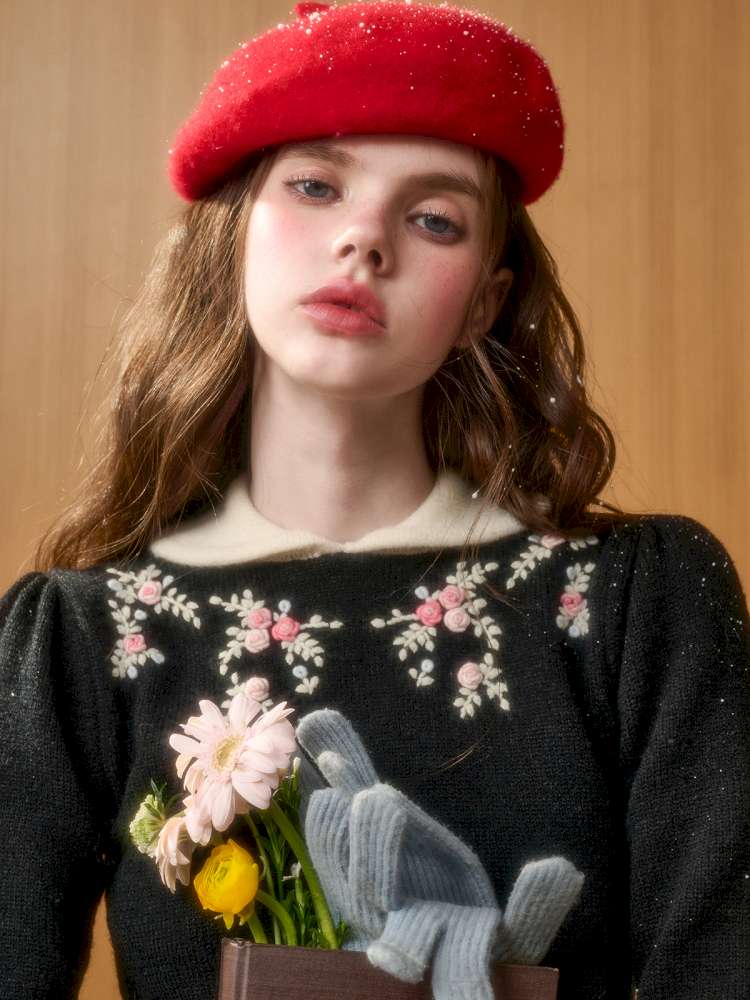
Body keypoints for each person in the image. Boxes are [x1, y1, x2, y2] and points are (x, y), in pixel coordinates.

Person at [1, 1, 748, 998]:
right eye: (315, 185)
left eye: (433, 218)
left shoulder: (634, 603)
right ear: (229, 236)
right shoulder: (83, 638)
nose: (364, 239)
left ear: (484, 301)